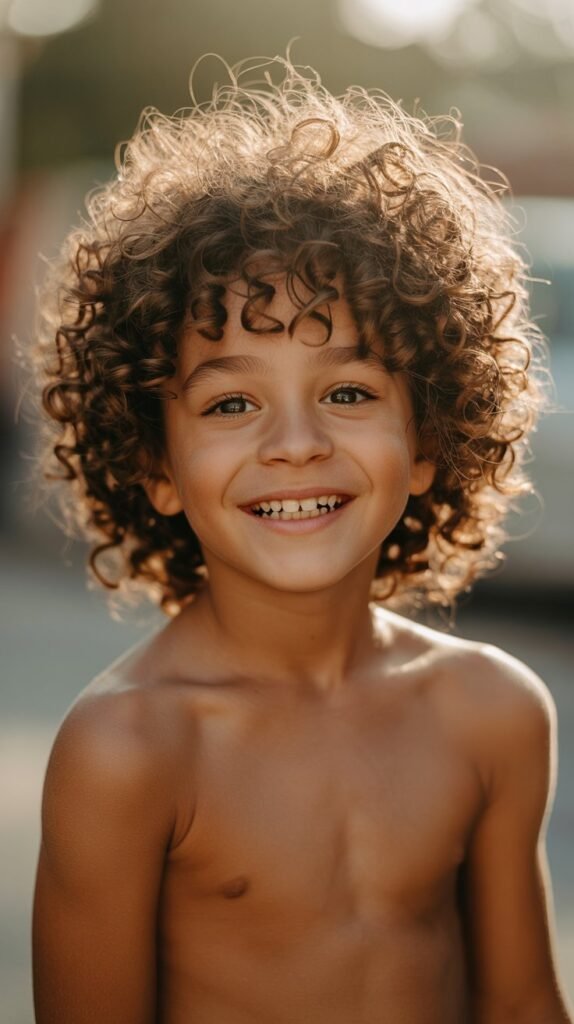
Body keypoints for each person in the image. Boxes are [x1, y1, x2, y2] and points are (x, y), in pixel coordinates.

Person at [31, 54, 572, 1024]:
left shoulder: (493, 711)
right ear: (153, 461)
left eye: (349, 392)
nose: (296, 444)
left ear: (429, 441)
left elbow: (525, 1003)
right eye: (232, 401)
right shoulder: (129, 747)